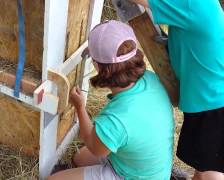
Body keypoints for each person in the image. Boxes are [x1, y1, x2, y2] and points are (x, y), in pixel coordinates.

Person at [47, 20, 174, 180]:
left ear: (98, 67)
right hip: (151, 169)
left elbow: (94, 147)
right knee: (80, 158)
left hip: (130, 176)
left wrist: (79, 107)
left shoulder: (115, 120)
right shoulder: (151, 79)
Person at [129, 0, 224, 179]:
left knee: (209, 173)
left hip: (212, 103)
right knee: (203, 167)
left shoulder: (190, 3)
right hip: (209, 99)